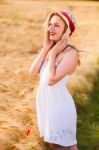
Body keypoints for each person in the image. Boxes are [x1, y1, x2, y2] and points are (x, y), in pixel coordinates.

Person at [29, 9, 80, 150]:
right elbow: (33, 72)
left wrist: (52, 55)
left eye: (56, 25)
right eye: (50, 24)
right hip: (47, 105)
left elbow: (51, 80)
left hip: (59, 106)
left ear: (66, 31)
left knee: (66, 146)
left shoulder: (71, 53)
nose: (50, 28)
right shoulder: (50, 49)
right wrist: (46, 48)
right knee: (55, 146)